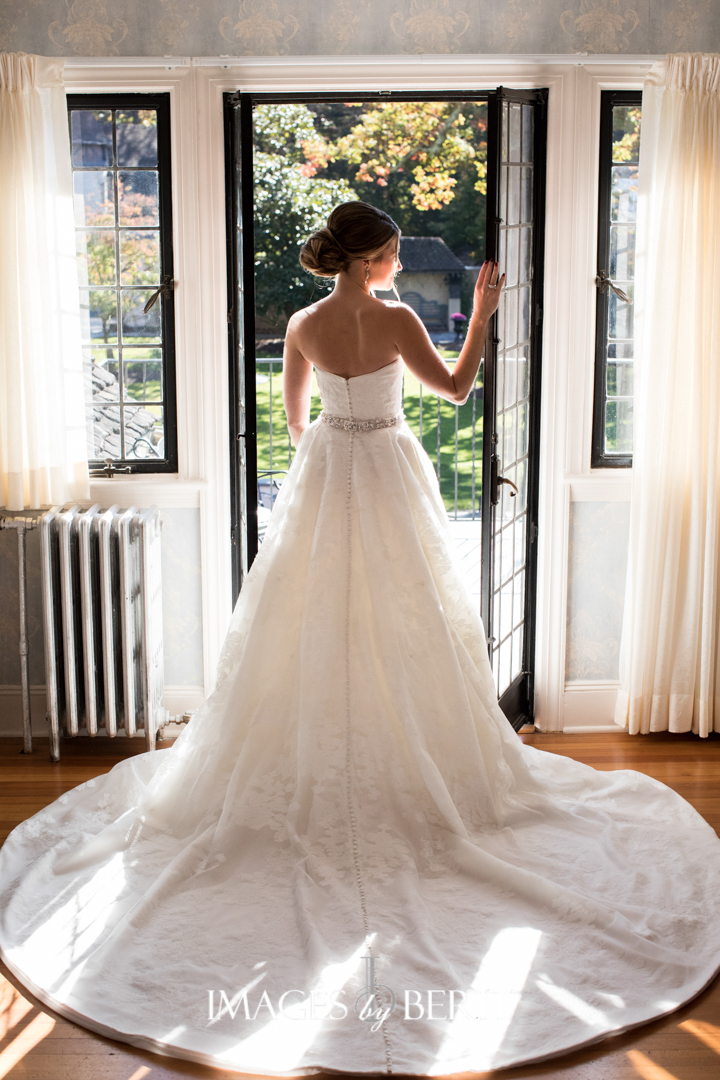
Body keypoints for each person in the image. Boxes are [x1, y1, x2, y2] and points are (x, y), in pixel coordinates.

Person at [1, 200, 720, 1079]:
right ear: (379, 254)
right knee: (405, 620)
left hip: (327, 475)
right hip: (385, 470)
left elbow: (296, 423)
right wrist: (485, 321)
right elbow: (456, 389)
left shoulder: (304, 320)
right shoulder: (397, 316)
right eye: (388, 252)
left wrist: (333, 451)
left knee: (305, 625)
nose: (390, 262)